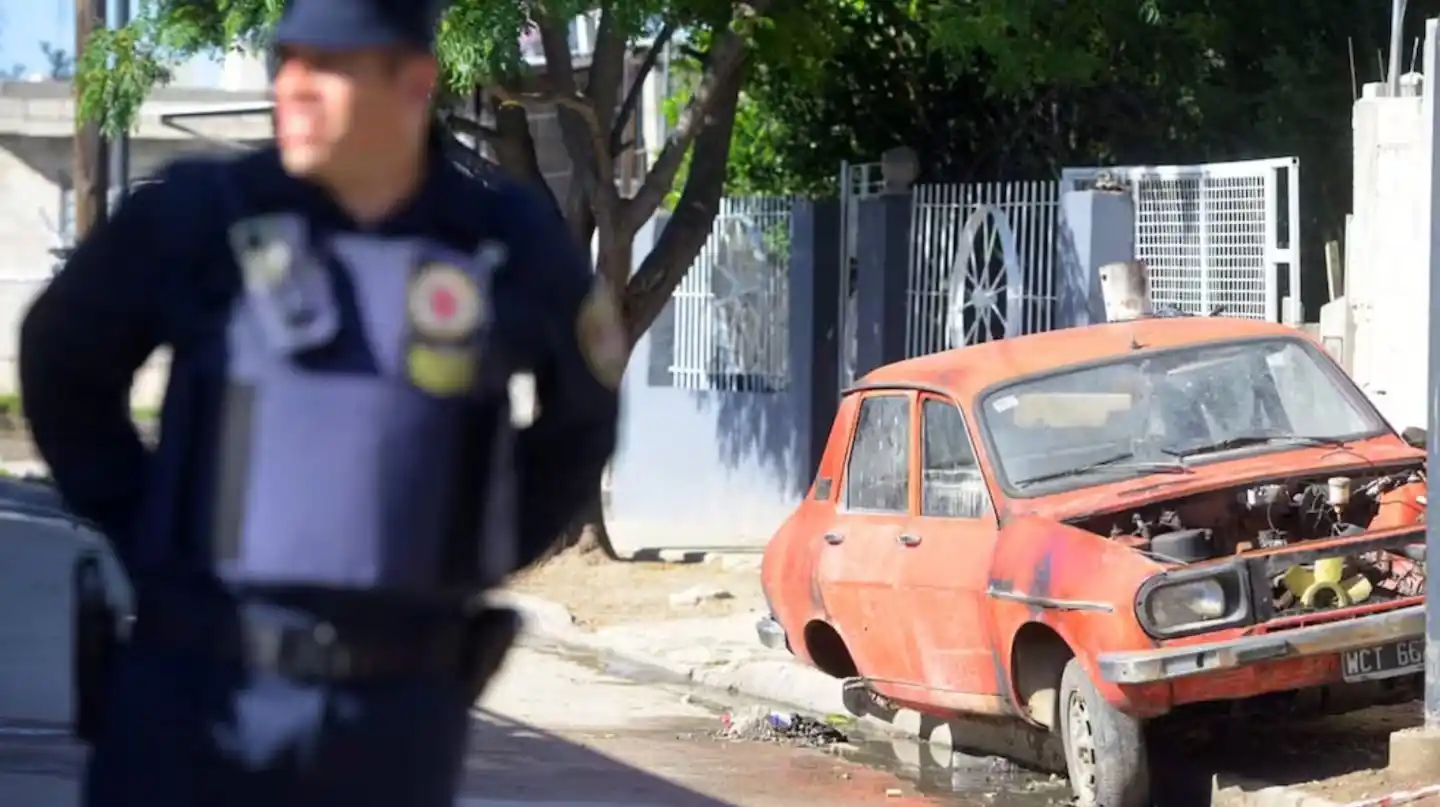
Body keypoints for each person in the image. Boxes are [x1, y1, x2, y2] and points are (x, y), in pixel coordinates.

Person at [18, 0, 622, 803]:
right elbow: (64, 364)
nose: (294, 87)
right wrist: (152, 521)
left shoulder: (501, 238)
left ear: (414, 81)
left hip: (394, 718)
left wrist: (468, 546)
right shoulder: (200, 214)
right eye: (289, 61)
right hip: (192, 694)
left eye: (330, 66)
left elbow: (582, 420)